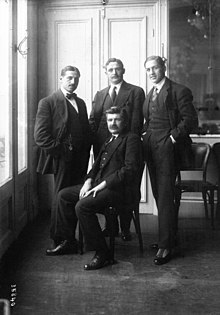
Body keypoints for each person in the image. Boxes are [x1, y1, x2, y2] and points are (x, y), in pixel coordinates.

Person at [47, 106, 143, 271]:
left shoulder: (131, 139)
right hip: (99, 185)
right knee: (63, 195)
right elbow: (96, 166)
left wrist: (102, 185)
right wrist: (89, 180)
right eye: (110, 120)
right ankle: (68, 241)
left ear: (125, 121)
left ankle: (103, 253)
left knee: (82, 206)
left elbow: (129, 170)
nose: (113, 123)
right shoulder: (108, 139)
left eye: (117, 119)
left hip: (120, 190)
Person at [142, 56, 198, 265]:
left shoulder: (179, 90)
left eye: (155, 68)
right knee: (158, 194)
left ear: (164, 67)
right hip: (150, 147)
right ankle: (168, 237)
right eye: (148, 69)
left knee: (166, 195)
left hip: (168, 148)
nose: (151, 72)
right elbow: (148, 120)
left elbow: (190, 120)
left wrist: (173, 138)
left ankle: (166, 247)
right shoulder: (150, 94)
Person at [34, 65, 91, 247]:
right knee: (61, 199)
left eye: (76, 78)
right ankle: (61, 239)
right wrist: (62, 153)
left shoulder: (80, 103)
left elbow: (85, 131)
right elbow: (41, 136)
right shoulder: (48, 102)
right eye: (69, 78)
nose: (73, 82)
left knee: (74, 199)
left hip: (80, 160)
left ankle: (71, 238)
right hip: (62, 160)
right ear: (61, 79)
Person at [89, 57, 145, 240]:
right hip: (104, 149)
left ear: (123, 70)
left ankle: (125, 228)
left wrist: (128, 143)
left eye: (117, 69)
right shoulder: (100, 94)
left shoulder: (135, 92)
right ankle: (110, 227)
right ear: (106, 72)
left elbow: (136, 122)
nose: (114, 72)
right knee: (105, 187)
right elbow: (94, 121)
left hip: (126, 148)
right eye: (110, 69)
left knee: (125, 185)